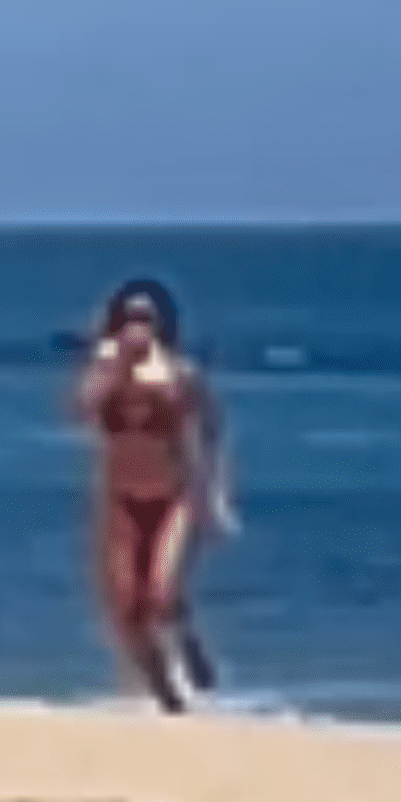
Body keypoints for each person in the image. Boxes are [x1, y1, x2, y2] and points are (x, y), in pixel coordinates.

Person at [71, 277, 234, 709]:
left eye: (146, 318)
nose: (137, 326)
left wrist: (214, 494)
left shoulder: (180, 373)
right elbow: (80, 412)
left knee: (160, 593)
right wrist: (116, 367)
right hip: (119, 496)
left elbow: (210, 429)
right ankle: (168, 696)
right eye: (129, 318)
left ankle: (185, 634)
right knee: (127, 608)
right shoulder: (105, 371)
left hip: (172, 495)